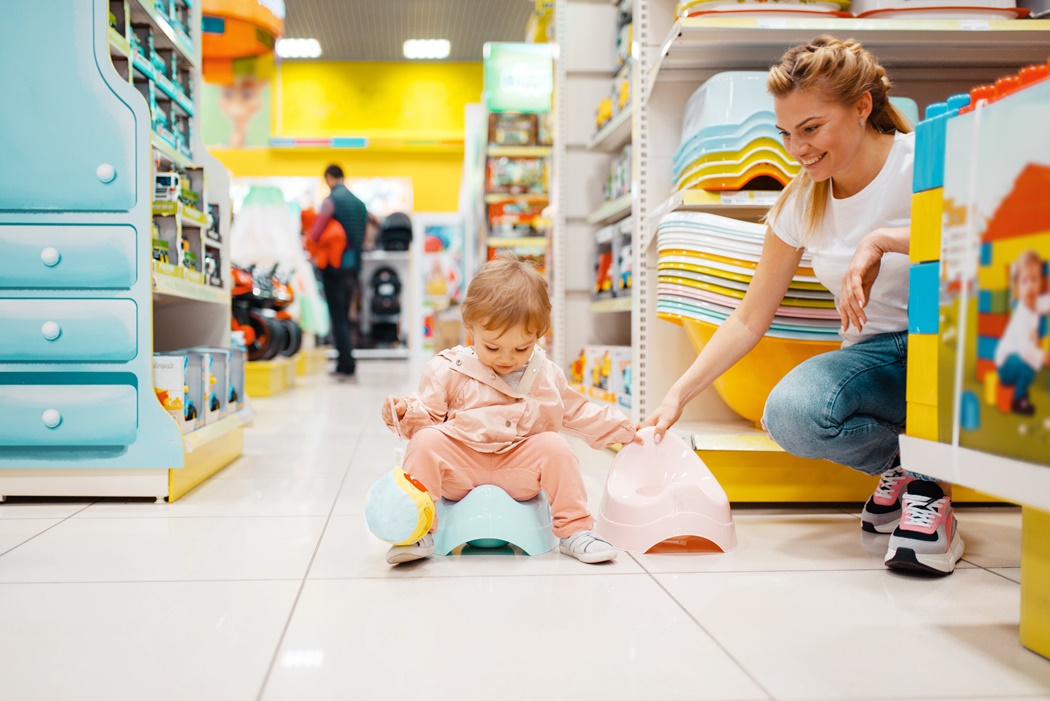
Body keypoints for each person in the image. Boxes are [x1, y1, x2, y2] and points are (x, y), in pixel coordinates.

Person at [642, 36, 964, 576]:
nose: (798, 148)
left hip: (955, 347)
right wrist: (675, 396)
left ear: (862, 106)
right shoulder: (802, 199)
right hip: (879, 363)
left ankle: (923, 489)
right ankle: (918, 475)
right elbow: (749, 317)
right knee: (789, 414)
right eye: (786, 133)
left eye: (811, 129)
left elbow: (985, 232)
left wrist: (884, 239)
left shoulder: (923, 160)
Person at [380, 256, 639, 566]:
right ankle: (417, 529)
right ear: (470, 326)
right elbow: (428, 414)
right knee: (425, 442)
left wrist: (626, 430)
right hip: (460, 468)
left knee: (556, 447)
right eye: (492, 347)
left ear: (538, 336)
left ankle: (575, 531)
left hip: (520, 469)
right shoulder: (448, 367)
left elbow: (577, 412)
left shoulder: (544, 374)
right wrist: (405, 411)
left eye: (521, 348)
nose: (506, 358)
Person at [308, 165, 371, 380]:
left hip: (333, 266)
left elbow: (315, 232)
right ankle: (346, 362)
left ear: (329, 177)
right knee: (346, 315)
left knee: (338, 318)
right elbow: (363, 238)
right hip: (353, 267)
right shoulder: (360, 205)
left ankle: (346, 364)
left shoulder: (331, 201)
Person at [995, 250, 1050, 416]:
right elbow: (1025, 350)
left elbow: (1045, 304)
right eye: (1024, 281)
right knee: (1029, 363)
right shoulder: (1022, 313)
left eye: (1034, 280)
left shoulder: (1033, 304)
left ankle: (1021, 389)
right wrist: (1044, 357)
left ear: (1040, 283)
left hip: (1015, 360)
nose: (1030, 286)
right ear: (1018, 287)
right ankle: (1018, 400)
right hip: (1006, 364)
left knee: (1030, 365)